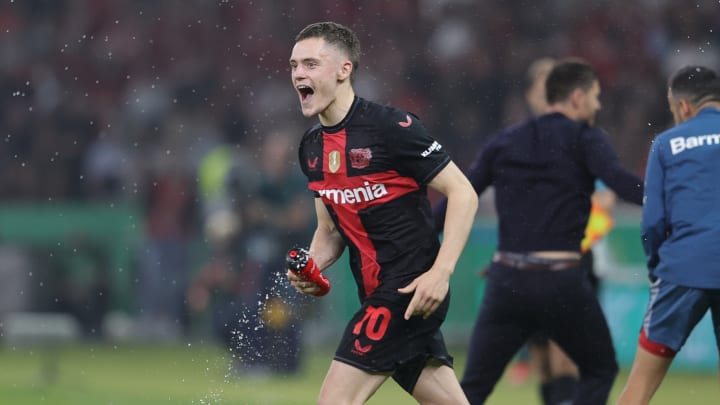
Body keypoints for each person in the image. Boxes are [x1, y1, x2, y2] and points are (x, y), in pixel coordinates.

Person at [286, 21, 478, 404]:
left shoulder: (393, 127)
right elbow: (329, 232)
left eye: (310, 64)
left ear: (344, 70)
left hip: (409, 290)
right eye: (293, 66)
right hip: (375, 294)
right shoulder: (311, 147)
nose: (298, 75)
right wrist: (311, 266)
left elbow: (463, 193)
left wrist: (440, 273)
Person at [436, 58, 643, 405]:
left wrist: (422, 232)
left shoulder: (505, 141)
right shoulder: (586, 138)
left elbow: (462, 192)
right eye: (595, 96)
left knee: (470, 389)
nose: (598, 104)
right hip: (559, 280)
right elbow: (620, 182)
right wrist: (667, 200)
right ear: (577, 97)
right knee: (600, 369)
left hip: (507, 280)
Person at [510, 57, 620, 405]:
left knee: (565, 350)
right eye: (542, 83)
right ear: (530, 94)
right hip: (528, 259)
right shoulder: (519, 140)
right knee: (542, 356)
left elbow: (607, 193)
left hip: (573, 257)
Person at [616, 66, 720, 405]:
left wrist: (657, 266)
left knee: (639, 388)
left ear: (684, 107)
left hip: (683, 268)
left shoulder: (666, 143)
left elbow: (653, 223)